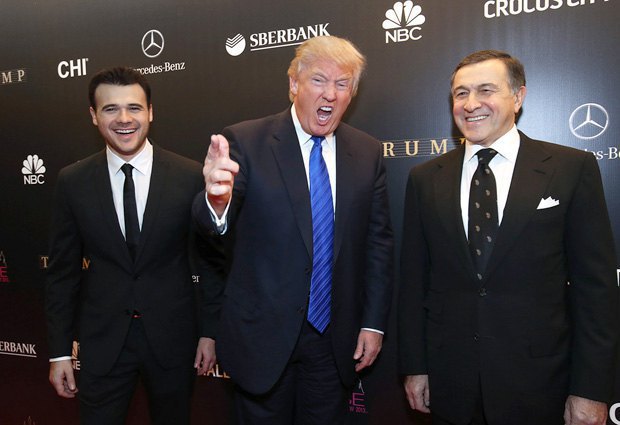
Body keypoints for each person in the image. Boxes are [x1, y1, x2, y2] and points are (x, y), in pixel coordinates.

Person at [398, 50, 618, 425]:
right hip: (452, 383)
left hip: (540, 385)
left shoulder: (569, 168)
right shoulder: (424, 179)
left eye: (486, 90)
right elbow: (414, 283)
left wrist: (591, 390)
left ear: (517, 97)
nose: (470, 104)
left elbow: (595, 291)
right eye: (460, 93)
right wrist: (416, 367)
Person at [193, 35, 394, 424]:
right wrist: (216, 203)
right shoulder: (247, 142)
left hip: (334, 339)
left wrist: (372, 322)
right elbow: (213, 226)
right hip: (263, 339)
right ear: (293, 84)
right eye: (319, 80)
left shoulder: (367, 152)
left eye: (342, 84)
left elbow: (378, 244)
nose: (330, 94)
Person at [45, 66, 221, 424]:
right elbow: (62, 274)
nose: (124, 119)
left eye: (134, 108)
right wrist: (60, 353)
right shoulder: (73, 182)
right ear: (94, 116)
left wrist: (210, 332)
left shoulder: (189, 176)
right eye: (110, 109)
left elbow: (210, 264)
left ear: (151, 112)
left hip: (173, 340)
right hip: (103, 342)